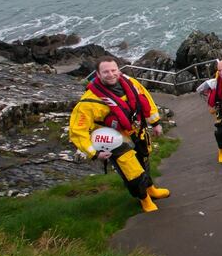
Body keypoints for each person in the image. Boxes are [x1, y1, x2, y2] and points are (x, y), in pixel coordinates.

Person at [68, 56, 170, 213]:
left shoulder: (130, 82)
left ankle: (151, 189)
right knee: (133, 172)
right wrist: (94, 153)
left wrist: (155, 123)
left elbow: (146, 100)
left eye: (113, 70)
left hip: (137, 131)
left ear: (118, 70)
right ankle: (144, 199)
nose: (111, 74)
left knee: (144, 162)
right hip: (116, 140)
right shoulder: (88, 102)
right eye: (106, 72)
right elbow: (77, 130)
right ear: (98, 74)